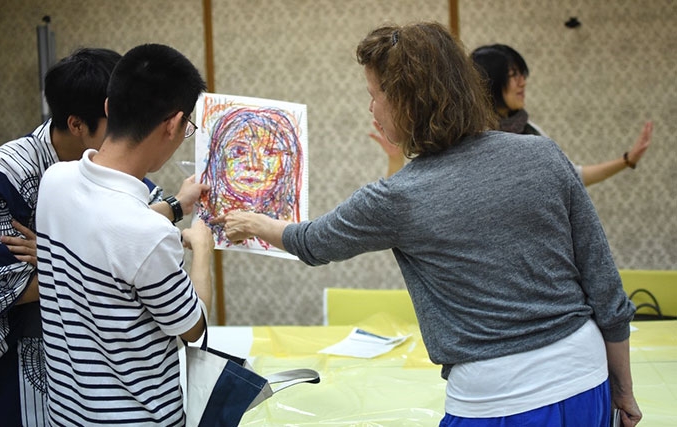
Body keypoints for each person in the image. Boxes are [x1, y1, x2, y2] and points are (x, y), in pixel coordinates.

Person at [212, 22, 642, 427]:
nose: (370, 107)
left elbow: (313, 242)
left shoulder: (397, 197)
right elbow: (603, 282)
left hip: (496, 400)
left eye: (374, 94)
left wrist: (253, 222)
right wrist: (622, 389)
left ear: (405, 100)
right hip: (588, 379)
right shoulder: (544, 154)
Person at [0, 47, 204, 426]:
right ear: (78, 123)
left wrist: (61, 255)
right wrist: (84, 262)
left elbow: (122, 230)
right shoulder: (7, 174)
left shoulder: (63, 178)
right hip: (36, 364)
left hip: (85, 381)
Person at [36, 43, 211, 426]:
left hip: (67, 415)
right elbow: (193, 328)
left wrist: (178, 205)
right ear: (172, 124)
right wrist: (202, 249)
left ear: (109, 108)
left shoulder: (55, 181)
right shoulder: (147, 235)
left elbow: (109, 232)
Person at [372, 44, 653, 183]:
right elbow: (403, 195)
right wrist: (396, 158)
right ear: (491, 81)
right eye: (513, 75)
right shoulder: (456, 133)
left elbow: (569, 176)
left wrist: (627, 160)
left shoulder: (532, 133)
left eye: (522, 75)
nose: (522, 82)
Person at [200, 106, 304, 248]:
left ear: (287, 163)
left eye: (270, 152)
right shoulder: (205, 225)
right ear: (218, 159)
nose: (253, 164)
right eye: (239, 150)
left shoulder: (292, 227)